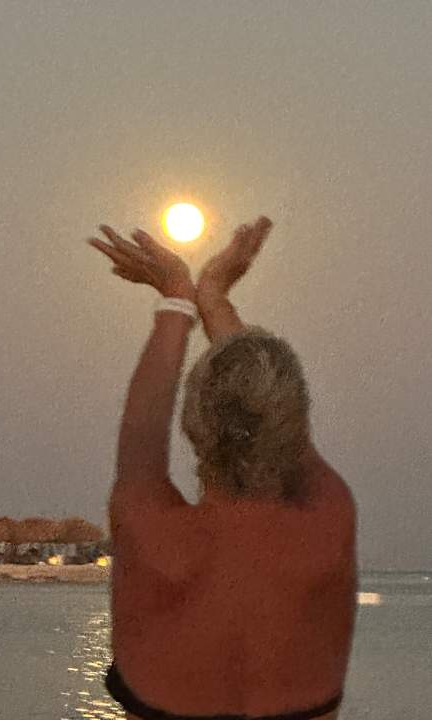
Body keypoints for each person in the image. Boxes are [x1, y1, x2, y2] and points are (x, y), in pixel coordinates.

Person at [88, 216, 357, 720]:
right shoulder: (329, 522)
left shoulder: (149, 532)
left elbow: (142, 433)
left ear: (192, 424)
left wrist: (179, 298)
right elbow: (274, 411)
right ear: (293, 418)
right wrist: (214, 299)